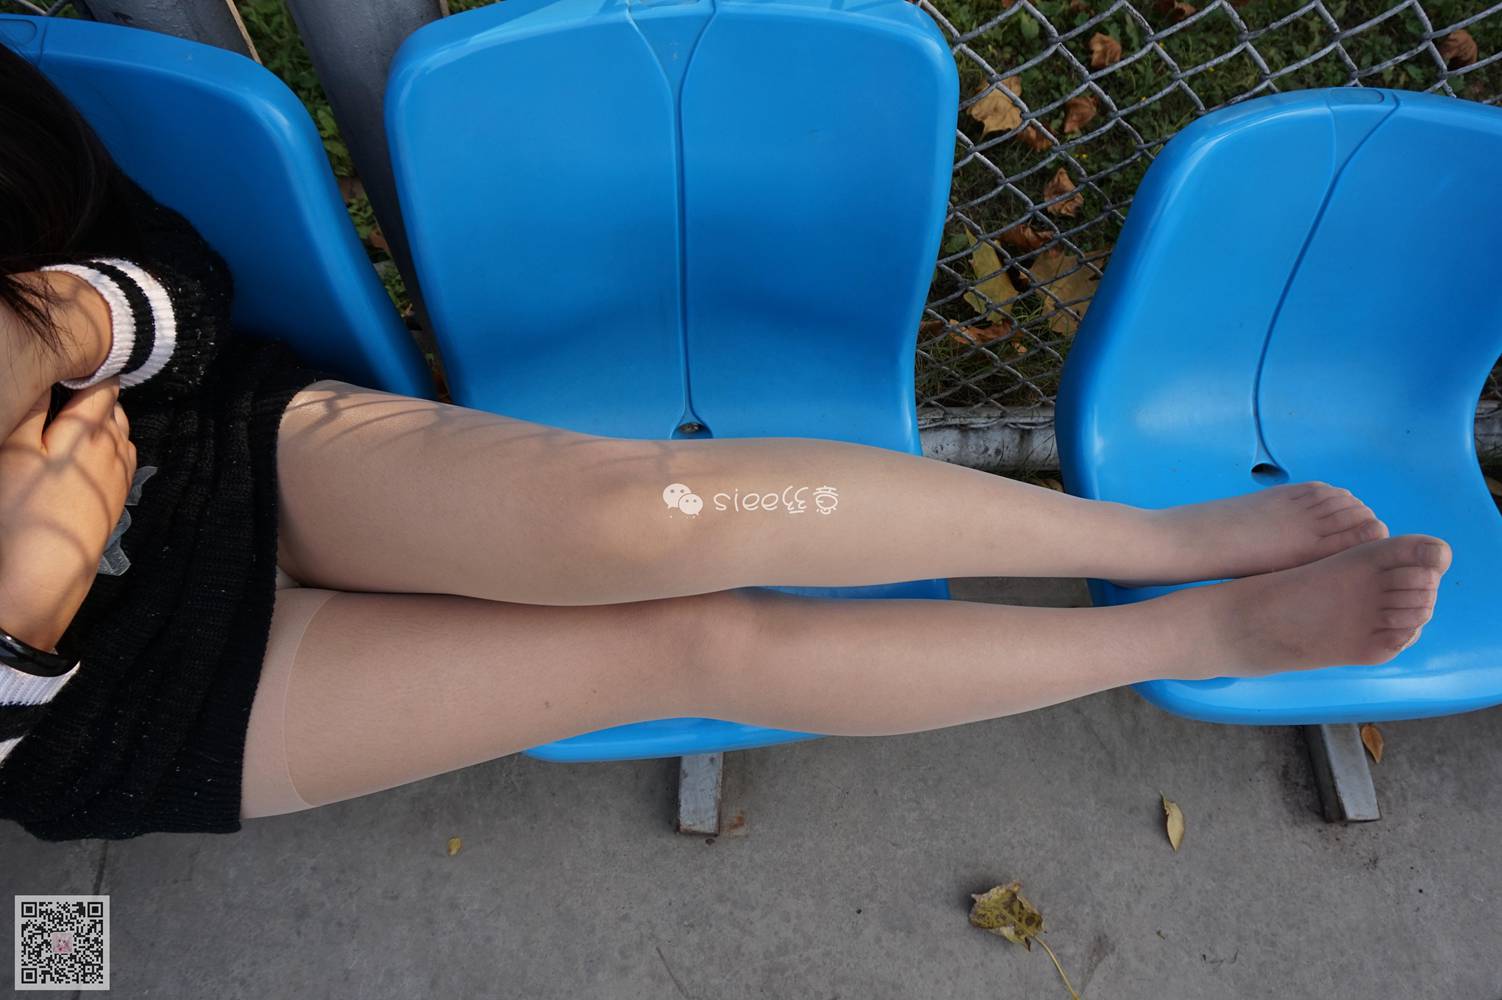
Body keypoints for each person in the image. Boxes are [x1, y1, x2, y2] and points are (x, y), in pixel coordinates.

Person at [0, 43, 1451, 843]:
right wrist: (20, 626)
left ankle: (1147, 539)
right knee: (694, 643)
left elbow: (171, 272)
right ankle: (1187, 637)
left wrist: (62, 326)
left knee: (658, 511)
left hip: (190, 450)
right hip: (92, 700)